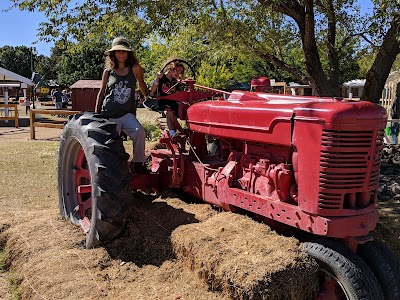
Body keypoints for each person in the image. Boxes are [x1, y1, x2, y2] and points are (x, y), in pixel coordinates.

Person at [95, 36, 150, 174]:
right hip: (108, 114)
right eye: (118, 51)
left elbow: (142, 84)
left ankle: (138, 163)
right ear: (113, 54)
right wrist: (96, 114)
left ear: (129, 53)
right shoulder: (108, 72)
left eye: (124, 51)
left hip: (126, 114)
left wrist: (148, 96)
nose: (121, 54)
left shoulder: (135, 69)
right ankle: (112, 170)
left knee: (139, 132)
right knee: (113, 144)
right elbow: (102, 92)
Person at [150, 60, 185, 138]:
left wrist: (183, 104)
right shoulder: (162, 77)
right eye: (178, 70)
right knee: (169, 112)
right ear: (171, 68)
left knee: (183, 110)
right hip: (163, 101)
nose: (178, 73)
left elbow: (178, 95)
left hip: (172, 102)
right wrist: (157, 78)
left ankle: (183, 131)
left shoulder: (175, 81)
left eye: (180, 72)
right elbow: (153, 90)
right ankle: (172, 132)